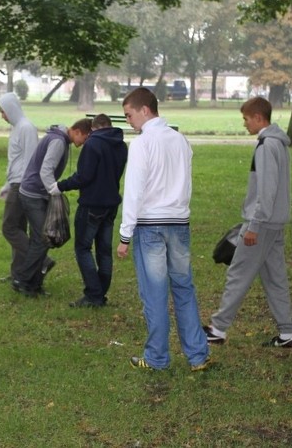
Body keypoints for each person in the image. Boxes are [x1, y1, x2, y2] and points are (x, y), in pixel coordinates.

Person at [116, 88, 209, 372]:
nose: (129, 121)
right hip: (179, 223)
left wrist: (124, 235)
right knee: (183, 288)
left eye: (129, 115)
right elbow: (187, 183)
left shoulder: (143, 144)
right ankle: (198, 355)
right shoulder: (180, 140)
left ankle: (156, 357)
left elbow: (133, 191)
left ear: (145, 110)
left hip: (150, 226)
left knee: (154, 292)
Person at [204, 97, 292, 349]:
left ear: (259, 118)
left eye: (246, 119)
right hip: (275, 223)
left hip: (263, 223)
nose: (244, 124)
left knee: (238, 274)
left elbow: (266, 191)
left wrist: (254, 225)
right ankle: (287, 334)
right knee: (275, 277)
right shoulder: (278, 144)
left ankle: (218, 328)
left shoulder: (267, 145)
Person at [12, 119, 92, 297]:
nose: (83, 144)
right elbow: (45, 170)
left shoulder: (59, 138)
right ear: (77, 131)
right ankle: (22, 280)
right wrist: (54, 191)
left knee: (38, 239)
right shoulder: (58, 142)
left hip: (37, 193)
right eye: (84, 139)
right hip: (33, 194)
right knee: (43, 238)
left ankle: (33, 284)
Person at [55, 114, 128, 307]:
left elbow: (83, 177)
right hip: (111, 204)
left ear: (94, 128)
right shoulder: (121, 146)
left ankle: (93, 294)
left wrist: (60, 186)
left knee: (83, 248)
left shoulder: (93, 144)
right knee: (104, 250)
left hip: (92, 204)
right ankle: (101, 292)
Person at [0, 92, 41, 282]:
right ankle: (19, 274)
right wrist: (7, 183)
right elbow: (15, 160)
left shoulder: (26, 128)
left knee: (9, 228)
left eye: (3, 111)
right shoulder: (17, 128)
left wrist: (21, 186)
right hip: (14, 182)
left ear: (11, 109)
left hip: (22, 185)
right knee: (19, 229)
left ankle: (41, 260)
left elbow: (31, 159)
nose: (2, 116)